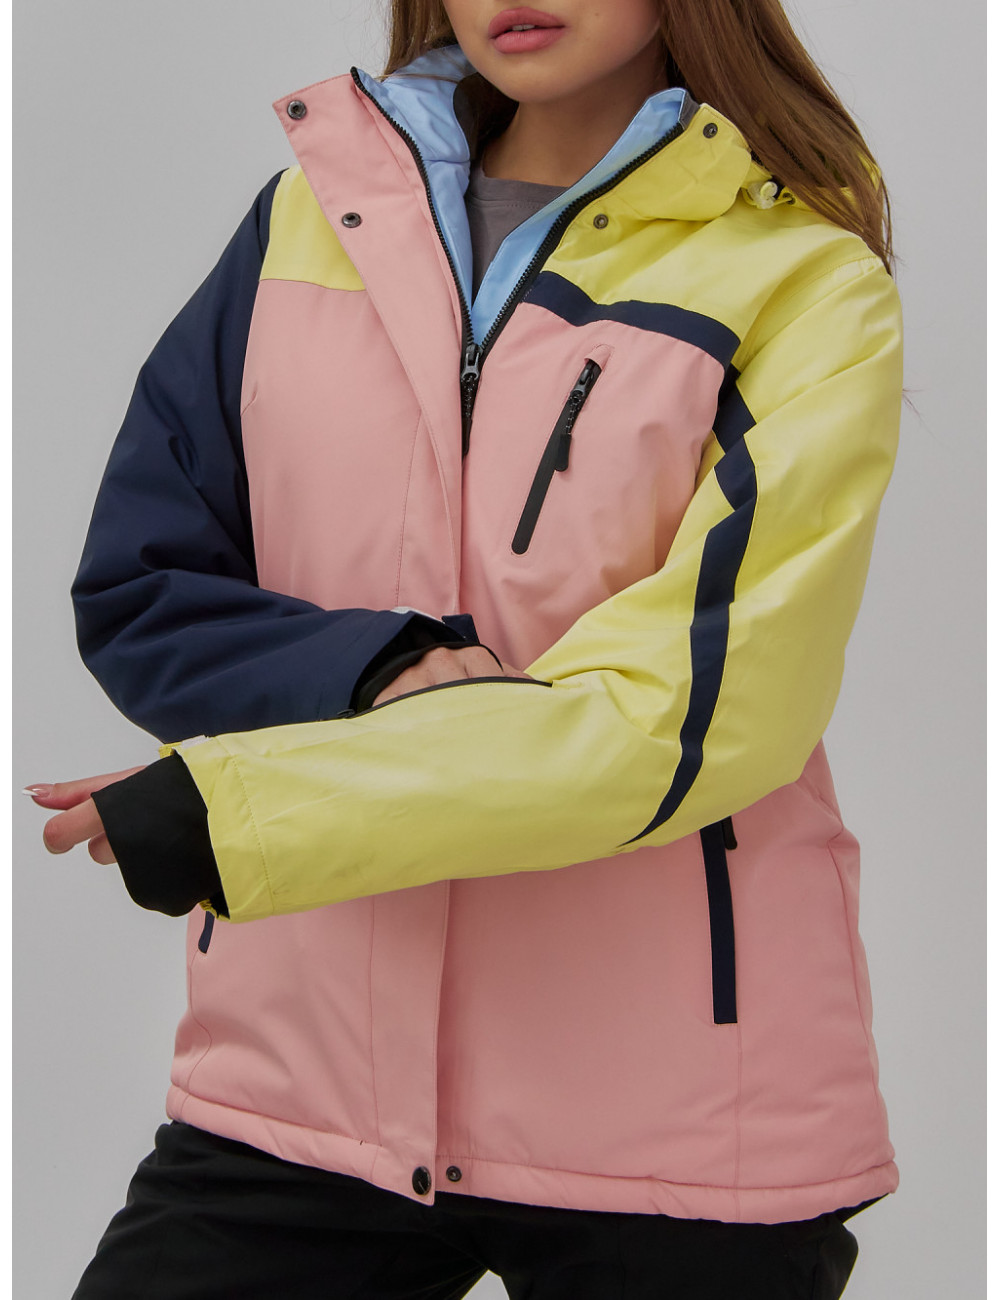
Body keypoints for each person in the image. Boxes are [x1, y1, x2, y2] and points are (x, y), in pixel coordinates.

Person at [29, 0, 904, 1294]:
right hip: (303, 1088)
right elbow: (144, 587)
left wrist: (248, 809)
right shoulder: (308, 220)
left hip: (680, 1118)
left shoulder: (799, 279)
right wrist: (378, 665)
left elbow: (689, 715)